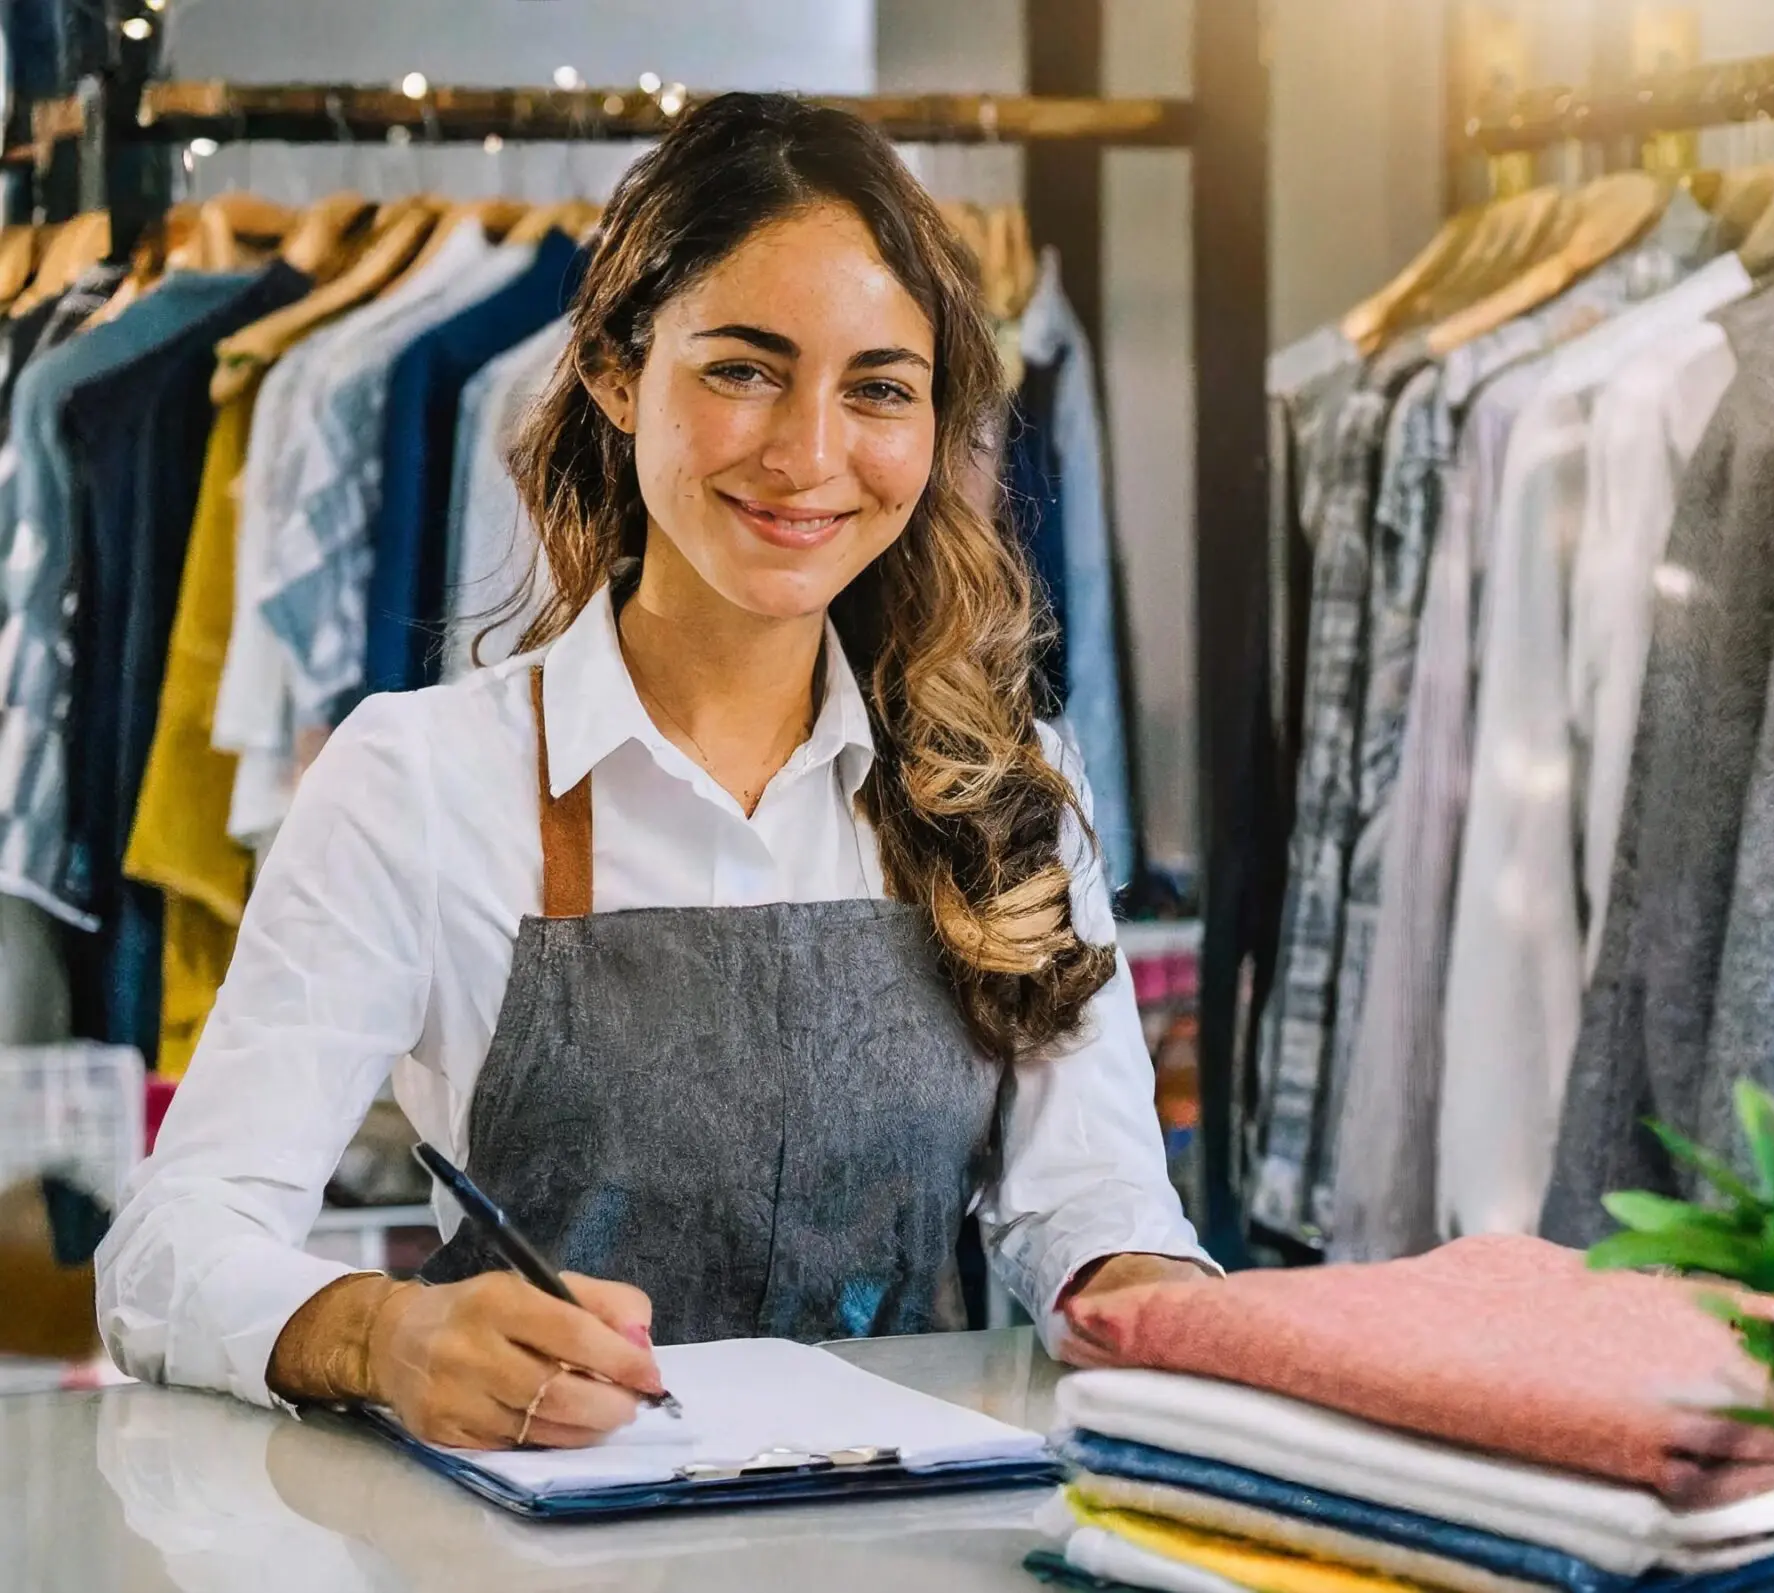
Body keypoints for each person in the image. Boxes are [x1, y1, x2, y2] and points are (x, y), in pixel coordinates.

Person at [96, 92, 1214, 1452]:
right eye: (743, 369)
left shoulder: (1010, 788)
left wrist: (1167, 1316)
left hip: (911, 1539)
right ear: (619, 374)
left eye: (878, 390)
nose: (808, 455)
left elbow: (1095, 1211)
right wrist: (383, 1336)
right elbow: (165, 1251)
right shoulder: (417, 782)